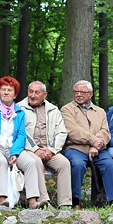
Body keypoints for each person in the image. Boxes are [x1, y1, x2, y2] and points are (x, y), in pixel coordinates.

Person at [0, 76, 47, 209]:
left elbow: (21, 135)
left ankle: (33, 202)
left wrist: (15, 153)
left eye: (10, 90)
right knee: (1, 161)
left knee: (30, 162)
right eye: (3, 90)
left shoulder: (19, 112)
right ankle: (2, 200)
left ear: (15, 94)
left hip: (12, 148)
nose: (6, 92)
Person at [61, 80, 113, 210]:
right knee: (77, 164)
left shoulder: (100, 111)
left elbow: (105, 131)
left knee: (109, 164)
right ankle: (75, 201)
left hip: (98, 149)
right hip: (75, 147)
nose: (78, 94)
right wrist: (92, 140)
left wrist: (96, 145)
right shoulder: (66, 109)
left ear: (90, 94)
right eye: (76, 91)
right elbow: (72, 130)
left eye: (82, 92)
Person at [18, 81, 72, 209]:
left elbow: (61, 132)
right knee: (35, 161)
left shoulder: (53, 110)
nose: (33, 95)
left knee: (64, 164)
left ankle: (65, 203)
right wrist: (36, 149)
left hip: (49, 149)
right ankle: (44, 201)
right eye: (30, 91)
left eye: (37, 92)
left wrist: (51, 150)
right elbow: (21, 132)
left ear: (45, 95)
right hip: (29, 150)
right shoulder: (19, 108)